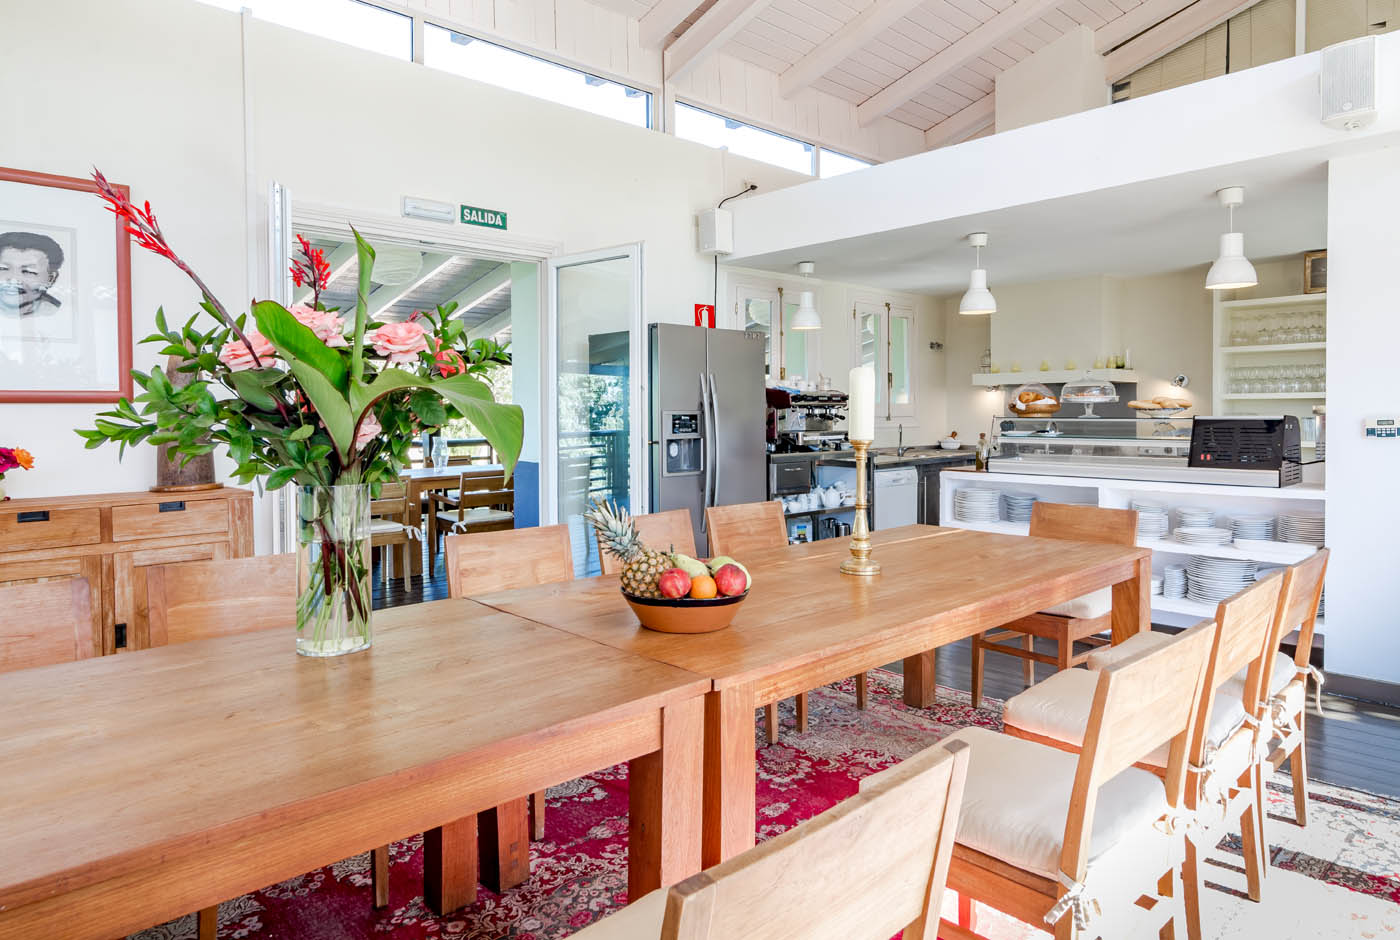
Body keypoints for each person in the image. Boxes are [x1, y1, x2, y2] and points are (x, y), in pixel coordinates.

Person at [0, 231, 65, 318]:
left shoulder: (64, 314)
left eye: (29, 271)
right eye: (3, 268)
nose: (14, 279)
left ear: (51, 279)